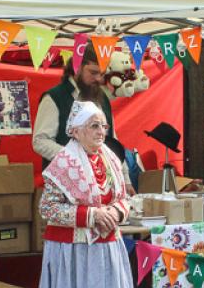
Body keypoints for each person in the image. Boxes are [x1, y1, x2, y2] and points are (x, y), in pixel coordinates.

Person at [38, 101, 135, 288]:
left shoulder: (111, 160)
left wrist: (116, 212)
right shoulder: (62, 164)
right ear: (76, 131)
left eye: (103, 125)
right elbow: (48, 208)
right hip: (75, 248)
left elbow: (124, 198)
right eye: (94, 126)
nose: (101, 131)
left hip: (108, 245)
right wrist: (90, 215)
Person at [33, 46, 133, 190]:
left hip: (104, 185)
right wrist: (74, 159)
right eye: (93, 72)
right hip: (66, 185)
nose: (98, 79)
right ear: (77, 68)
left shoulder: (102, 98)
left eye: (101, 74)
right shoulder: (55, 97)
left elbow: (112, 141)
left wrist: (125, 179)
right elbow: (40, 141)